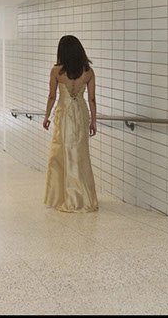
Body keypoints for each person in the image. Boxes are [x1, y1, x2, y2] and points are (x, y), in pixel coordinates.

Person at [42, 35, 99, 212]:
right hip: (81, 113)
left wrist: (47, 116)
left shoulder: (57, 72)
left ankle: (65, 197)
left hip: (64, 114)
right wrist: (94, 121)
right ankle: (84, 198)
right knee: (81, 155)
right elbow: (91, 98)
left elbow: (52, 96)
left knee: (61, 153)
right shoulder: (88, 71)